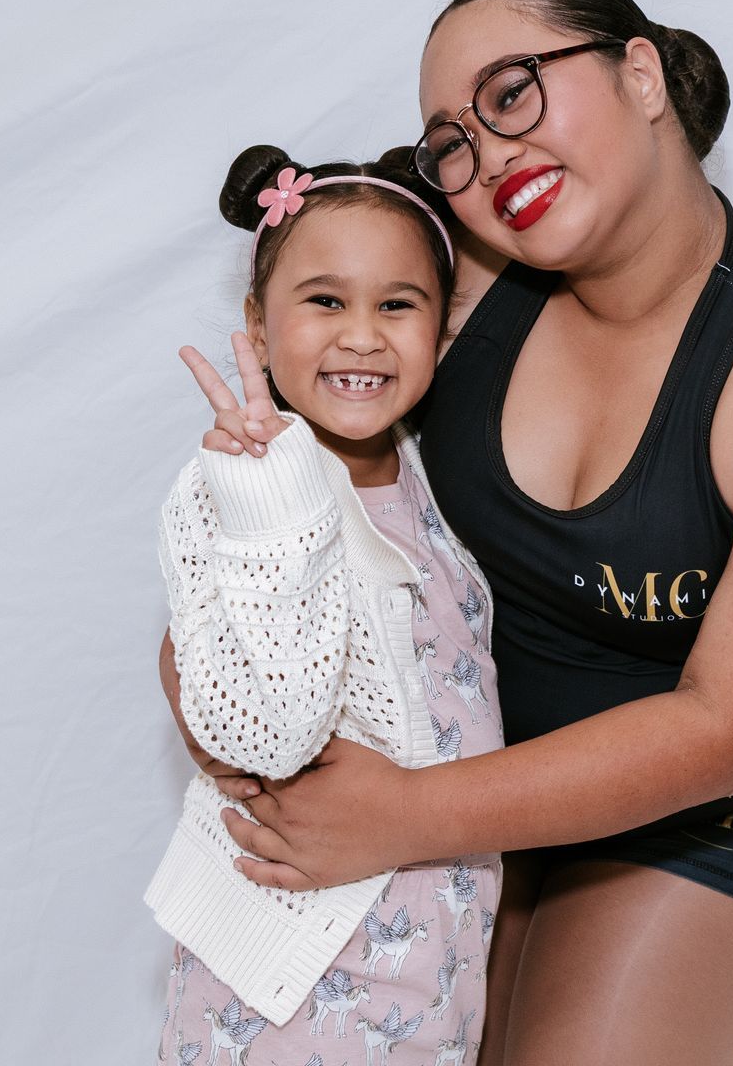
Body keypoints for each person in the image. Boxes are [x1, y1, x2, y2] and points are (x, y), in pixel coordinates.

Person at [165, 0, 733, 1066]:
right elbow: (289, 504)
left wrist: (402, 816)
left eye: (513, 91)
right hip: (453, 762)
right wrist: (208, 688)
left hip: (706, 812)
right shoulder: (453, 281)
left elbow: (729, 727)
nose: (490, 154)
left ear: (640, 73)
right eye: (452, 144)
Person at [147, 145, 503, 1065]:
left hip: (433, 959)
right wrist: (269, 504)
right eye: (324, 301)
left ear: (443, 329)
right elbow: (252, 713)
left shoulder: (426, 483)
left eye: (398, 304)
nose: (361, 335)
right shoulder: (246, 487)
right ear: (258, 331)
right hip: (294, 968)